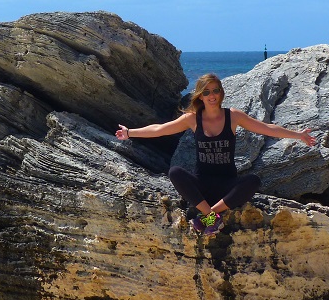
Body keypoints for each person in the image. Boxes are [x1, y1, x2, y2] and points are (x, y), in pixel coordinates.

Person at [115, 73, 317, 236]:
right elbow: (160, 129)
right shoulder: (192, 119)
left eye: (215, 90)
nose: (212, 95)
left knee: (253, 181)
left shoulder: (233, 116)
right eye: (207, 92)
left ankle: (207, 216)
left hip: (226, 186)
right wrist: (130, 133)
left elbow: (266, 128)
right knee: (175, 172)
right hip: (201, 185)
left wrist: (298, 135)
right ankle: (212, 216)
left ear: (221, 93)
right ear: (200, 96)